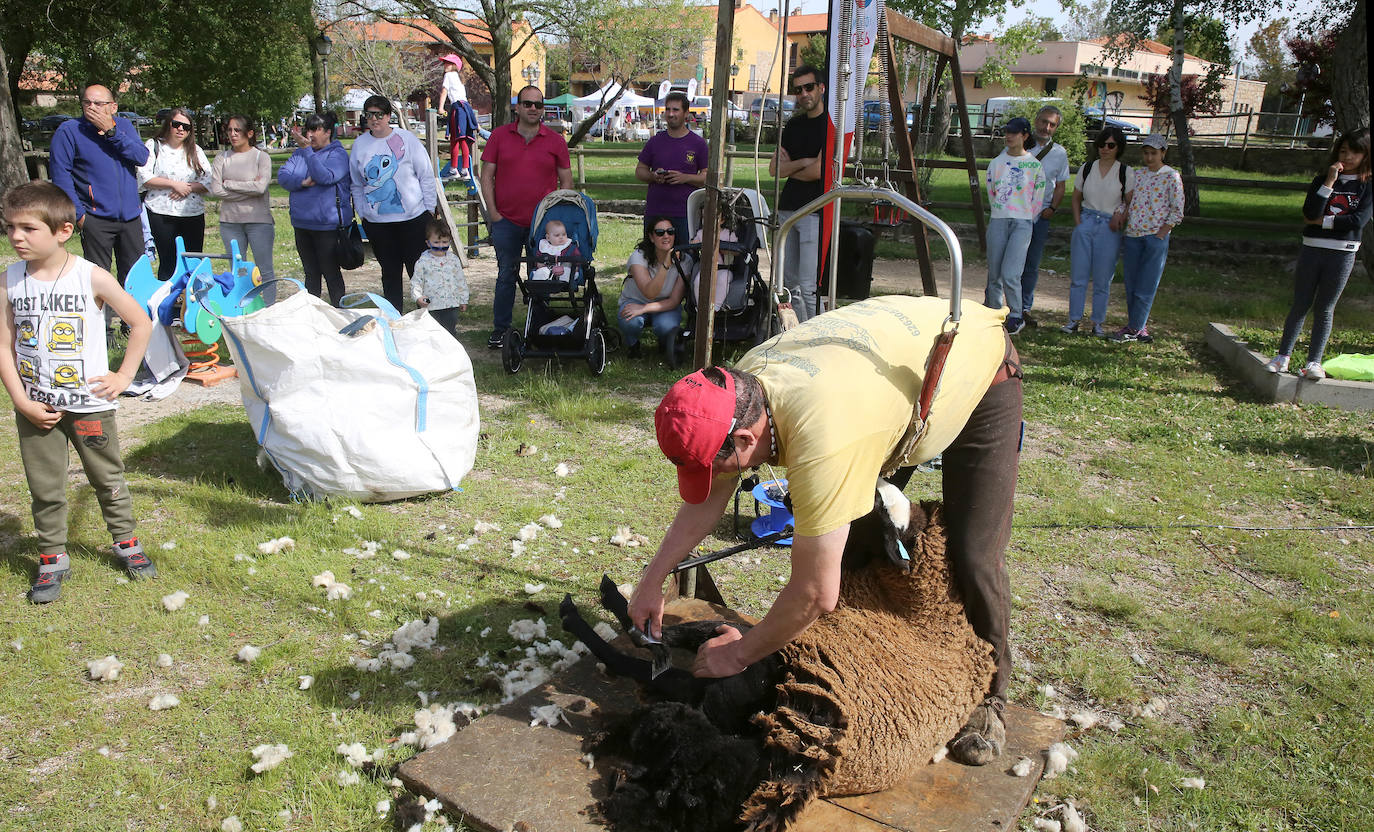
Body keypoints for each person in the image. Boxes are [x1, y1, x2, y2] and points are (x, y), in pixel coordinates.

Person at [629, 295, 1022, 766]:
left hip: (973, 363)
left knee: (974, 550)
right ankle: (866, 658)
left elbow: (816, 592)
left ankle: (992, 698)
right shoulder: (741, 389)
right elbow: (708, 500)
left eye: (719, 463)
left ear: (746, 438)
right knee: (852, 543)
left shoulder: (823, 438)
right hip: (880, 375)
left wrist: (737, 658)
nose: (714, 478)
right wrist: (652, 580)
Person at [1, 182, 158, 604]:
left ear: (63, 231)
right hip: (37, 409)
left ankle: (126, 543)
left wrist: (124, 376)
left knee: (107, 479)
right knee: (45, 486)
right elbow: (4, 345)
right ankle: (52, 557)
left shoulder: (92, 275)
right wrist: (21, 402)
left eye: (28, 228)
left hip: (89, 407)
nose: (16, 237)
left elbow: (140, 323)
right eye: (10, 227)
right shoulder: (8, 281)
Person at [1265, 127, 1372, 378]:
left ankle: (1314, 362)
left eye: (1354, 153)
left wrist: (1322, 222)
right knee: (1300, 303)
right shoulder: (1322, 179)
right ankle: (1283, 356)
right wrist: (1329, 182)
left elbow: (1357, 221)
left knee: (1325, 307)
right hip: (1312, 247)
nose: (1347, 157)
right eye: (1343, 151)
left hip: (1342, 252)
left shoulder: (1367, 186)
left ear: (1365, 155)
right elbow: (1310, 213)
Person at [48, 84, 150, 333]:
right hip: (95, 218)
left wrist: (112, 132)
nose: (92, 108)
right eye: (87, 103)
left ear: (113, 107)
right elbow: (61, 175)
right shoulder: (70, 131)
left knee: (134, 275)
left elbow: (141, 156)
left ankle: (133, 325)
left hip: (129, 216)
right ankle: (101, 330)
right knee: (97, 276)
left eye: (98, 104)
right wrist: (80, 216)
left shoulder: (123, 127)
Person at [480, 85, 573, 348]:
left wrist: (557, 216)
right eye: (528, 104)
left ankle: (539, 326)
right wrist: (493, 213)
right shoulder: (499, 136)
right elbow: (486, 175)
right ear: (517, 107)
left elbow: (566, 181)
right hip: (506, 221)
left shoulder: (555, 141)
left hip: (542, 226)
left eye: (538, 105)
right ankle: (501, 329)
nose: (533, 108)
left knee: (541, 275)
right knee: (506, 275)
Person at [349, 95, 438, 313]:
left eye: (379, 114)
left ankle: (427, 316)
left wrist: (429, 209)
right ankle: (394, 316)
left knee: (417, 270)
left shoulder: (407, 139)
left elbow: (425, 175)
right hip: (378, 223)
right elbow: (356, 184)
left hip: (413, 219)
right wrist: (363, 212)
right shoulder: (360, 145)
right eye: (369, 115)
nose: (374, 119)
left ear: (388, 116)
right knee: (389, 272)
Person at [769, 65, 827, 323]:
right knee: (789, 285)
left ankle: (817, 335)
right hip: (788, 208)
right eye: (798, 89)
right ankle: (798, 333)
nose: (804, 93)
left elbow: (820, 172)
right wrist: (804, 161)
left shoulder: (830, 126)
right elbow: (774, 169)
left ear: (821, 88)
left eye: (809, 87)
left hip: (814, 211)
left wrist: (793, 167)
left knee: (809, 286)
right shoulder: (793, 125)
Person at [1114, 134, 1185, 343]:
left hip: (1154, 236)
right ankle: (1137, 325)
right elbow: (1128, 201)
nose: (1149, 157)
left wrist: (1163, 232)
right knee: (1132, 283)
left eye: (1154, 153)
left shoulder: (1171, 176)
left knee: (1147, 284)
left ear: (1163, 153)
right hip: (1134, 234)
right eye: (1146, 153)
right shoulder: (1138, 175)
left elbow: (1177, 209)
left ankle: (1135, 328)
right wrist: (1120, 214)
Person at [1062, 128, 1133, 336]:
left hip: (1109, 226)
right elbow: (1076, 197)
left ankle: (1097, 322)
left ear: (1119, 147)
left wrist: (1120, 217)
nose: (1105, 149)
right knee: (1079, 275)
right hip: (1087, 220)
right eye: (1102, 144)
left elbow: (1130, 202)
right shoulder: (1087, 168)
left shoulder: (1125, 172)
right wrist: (1079, 222)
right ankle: (1073, 319)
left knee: (1103, 277)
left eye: (1111, 145)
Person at [279, 111, 352, 306]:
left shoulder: (337, 154)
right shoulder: (299, 153)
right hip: (302, 223)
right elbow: (283, 177)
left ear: (328, 132)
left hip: (327, 225)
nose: (310, 134)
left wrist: (308, 153)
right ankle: (312, 314)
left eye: (315, 130)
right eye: (308, 129)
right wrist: (302, 182)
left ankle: (339, 311)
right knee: (311, 273)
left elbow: (325, 176)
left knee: (331, 272)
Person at [983, 116, 1046, 335]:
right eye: (1007, 132)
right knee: (995, 272)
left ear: (1025, 135)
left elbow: (1038, 197)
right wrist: (1000, 210)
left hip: (1022, 222)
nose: (1009, 136)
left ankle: (1016, 315)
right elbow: (991, 191)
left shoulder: (1034, 166)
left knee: (1011, 272)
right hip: (999, 219)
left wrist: (1027, 217)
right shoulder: (996, 163)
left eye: (1014, 132)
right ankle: (992, 312)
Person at [136, 107, 212, 280]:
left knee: (193, 261)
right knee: (168, 262)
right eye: (177, 124)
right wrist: (173, 185)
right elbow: (144, 176)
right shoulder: (154, 145)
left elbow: (209, 179)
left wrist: (188, 187)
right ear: (168, 124)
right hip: (161, 213)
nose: (181, 130)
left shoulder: (195, 150)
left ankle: (189, 300)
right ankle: (167, 303)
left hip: (192, 213)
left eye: (186, 127)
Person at [209, 115, 276, 303]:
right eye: (229, 130)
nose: (232, 134)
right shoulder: (222, 158)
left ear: (250, 133)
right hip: (230, 223)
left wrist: (229, 183)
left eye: (237, 130)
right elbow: (216, 190)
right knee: (238, 269)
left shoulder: (261, 157)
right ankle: (241, 306)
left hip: (259, 222)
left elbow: (261, 187)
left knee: (265, 269)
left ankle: (270, 308)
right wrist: (249, 190)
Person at [1018, 105, 1070, 326]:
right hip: (1016, 212)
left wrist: (1052, 209)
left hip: (1040, 216)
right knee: (1008, 261)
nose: (1046, 127)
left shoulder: (1059, 153)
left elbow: (1060, 185)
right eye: (1043, 122)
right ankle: (997, 305)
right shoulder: (1019, 144)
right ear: (1036, 120)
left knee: (1031, 263)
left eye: (1052, 124)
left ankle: (1024, 308)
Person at [635, 91, 708, 240]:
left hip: (685, 213)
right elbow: (639, 171)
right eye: (667, 109)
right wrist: (653, 176)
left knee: (685, 259)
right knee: (652, 259)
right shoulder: (655, 141)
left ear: (686, 113)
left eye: (675, 110)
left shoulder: (698, 144)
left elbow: (707, 177)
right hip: (656, 211)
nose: (670, 114)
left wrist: (685, 178)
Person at [619, 217, 691, 363]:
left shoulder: (685, 261)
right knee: (630, 320)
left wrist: (644, 308)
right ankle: (633, 344)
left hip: (665, 304)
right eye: (660, 232)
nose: (666, 236)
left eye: (670, 232)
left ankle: (665, 343)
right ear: (651, 237)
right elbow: (650, 292)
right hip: (637, 299)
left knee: (666, 326)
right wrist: (665, 265)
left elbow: (674, 300)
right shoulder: (638, 257)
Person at [411, 216, 469, 338]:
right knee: (431, 332)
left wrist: (463, 299)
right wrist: (418, 297)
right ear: (428, 243)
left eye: (444, 242)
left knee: (449, 332)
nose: (441, 246)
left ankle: (450, 353)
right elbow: (416, 282)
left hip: (451, 303)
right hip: (431, 305)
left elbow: (460, 280)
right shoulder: (423, 262)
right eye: (436, 242)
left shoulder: (453, 260)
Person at [690, 209, 739, 311]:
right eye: (704, 217)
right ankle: (701, 308)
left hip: (724, 268)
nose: (707, 219)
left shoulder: (728, 234)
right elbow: (694, 244)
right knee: (698, 281)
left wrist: (724, 248)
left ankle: (715, 307)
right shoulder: (701, 233)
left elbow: (737, 250)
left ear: (722, 220)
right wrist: (694, 244)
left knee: (722, 280)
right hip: (707, 267)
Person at [436, 53, 473, 179]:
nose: (445, 65)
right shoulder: (459, 78)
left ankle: (457, 169)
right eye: (444, 63)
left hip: (457, 108)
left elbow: (444, 92)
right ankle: (463, 169)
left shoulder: (449, 75)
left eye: (448, 63)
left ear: (454, 66)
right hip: (465, 108)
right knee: (462, 138)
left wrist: (440, 108)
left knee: (456, 139)